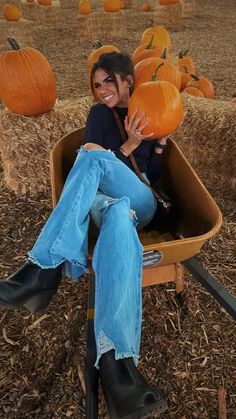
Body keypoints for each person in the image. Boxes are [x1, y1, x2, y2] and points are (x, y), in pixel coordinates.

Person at [0, 51, 175, 418]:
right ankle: (118, 370)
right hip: (103, 203)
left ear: (129, 80)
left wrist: (156, 143)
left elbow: (151, 173)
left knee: (101, 170)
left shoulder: (149, 107)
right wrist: (128, 143)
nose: (102, 91)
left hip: (141, 199)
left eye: (109, 81)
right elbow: (94, 154)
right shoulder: (99, 114)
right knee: (113, 207)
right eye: (97, 85)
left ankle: (43, 268)